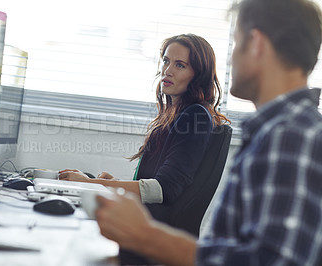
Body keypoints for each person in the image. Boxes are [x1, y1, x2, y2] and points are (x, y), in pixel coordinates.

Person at [93, 0, 322, 265]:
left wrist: (145, 235)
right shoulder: (277, 132)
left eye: (236, 44)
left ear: (256, 44)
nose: (231, 57)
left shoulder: (290, 136)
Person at [59, 34, 229, 205]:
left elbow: (164, 189)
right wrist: (113, 184)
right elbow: (154, 188)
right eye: (165, 61)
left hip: (149, 227)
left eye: (180, 65)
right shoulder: (178, 116)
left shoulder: (194, 116)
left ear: (199, 75)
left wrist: (90, 184)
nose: (167, 70)